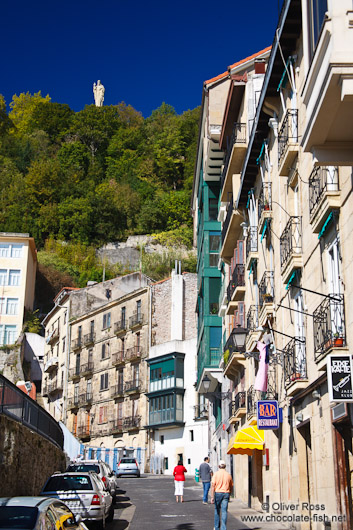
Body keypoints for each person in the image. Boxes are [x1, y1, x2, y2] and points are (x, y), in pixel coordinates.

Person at [210, 460, 233, 530]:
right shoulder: (228, 475)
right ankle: (223, 528)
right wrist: (230, 494)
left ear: (218, 466)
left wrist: (212, 496)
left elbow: (213, 485)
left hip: (218, 493)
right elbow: (231, 485)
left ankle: (216, 527)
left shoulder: (216, 474)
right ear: (225, 466)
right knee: (224, 511)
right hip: (226, 493)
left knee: (217, 510)